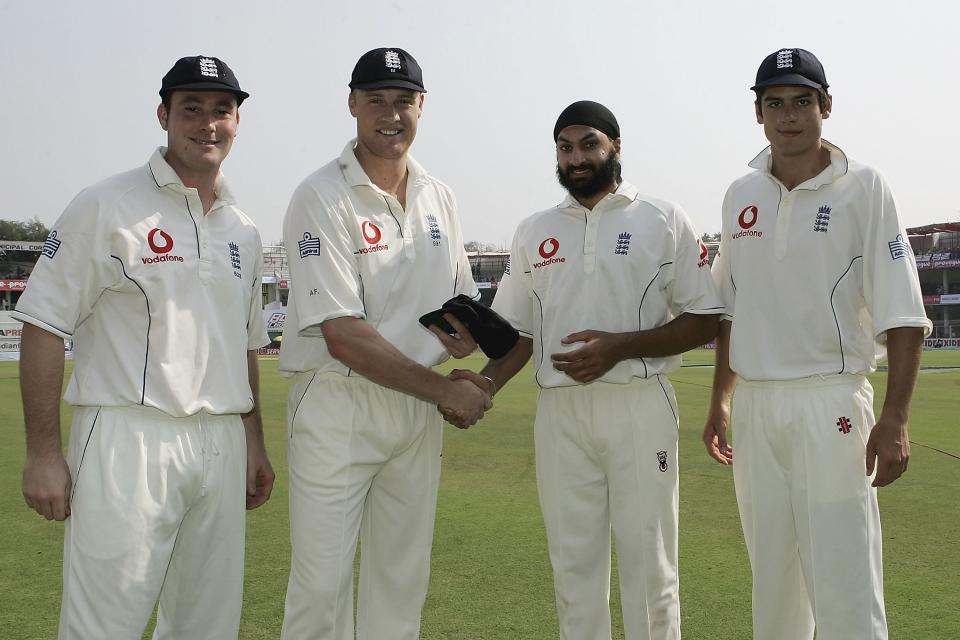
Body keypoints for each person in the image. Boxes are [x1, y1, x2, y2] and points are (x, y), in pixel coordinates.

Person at [439, 101, 722, 639]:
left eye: (589, 144)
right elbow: (520, 334)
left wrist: (621, 347)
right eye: (565, 148)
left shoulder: (662, 218)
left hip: (638, 404)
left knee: (651, 569)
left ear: (615, 146)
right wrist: (486, 383)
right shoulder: (534, 230)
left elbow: (704, 318)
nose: (576, 158)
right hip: (561, 414)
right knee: (574, 570)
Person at [16, 55, 274, 639]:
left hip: (221, 442)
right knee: (104, 626)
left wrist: (253, 442)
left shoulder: (244, 228)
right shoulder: (106, 204)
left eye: (222, 111)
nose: (208, 123)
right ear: (163, 114)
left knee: (206, 625)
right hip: (128, 438)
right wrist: (42, 453)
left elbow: (246, 347)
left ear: (237, 123)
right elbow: (42, 323)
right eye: (191, 109)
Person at [702, 48, 931, 639]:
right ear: (757, 113)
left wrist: (896, 418)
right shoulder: (740, 195)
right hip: (757, 408)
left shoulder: (863, 187)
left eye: (802, 101)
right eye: (774, 103)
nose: (789, 116)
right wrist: (721, 400)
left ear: (826, 105)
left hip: (830, 402)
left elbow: (903, 314)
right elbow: (732, 310)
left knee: (845, 579)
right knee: (773, 580)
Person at [278, 47, 490, 640]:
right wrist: (446, 391)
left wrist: (467, 353)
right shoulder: (320, 195)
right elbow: (343, 336)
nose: (390, 114)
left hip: (415, 410)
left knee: (400, 584)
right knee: (321, 589)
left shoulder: (439, 195)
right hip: (338, 406)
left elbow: (457, 318)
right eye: (376, 100)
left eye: (403, 101)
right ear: (352, 105)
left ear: (423, 106)